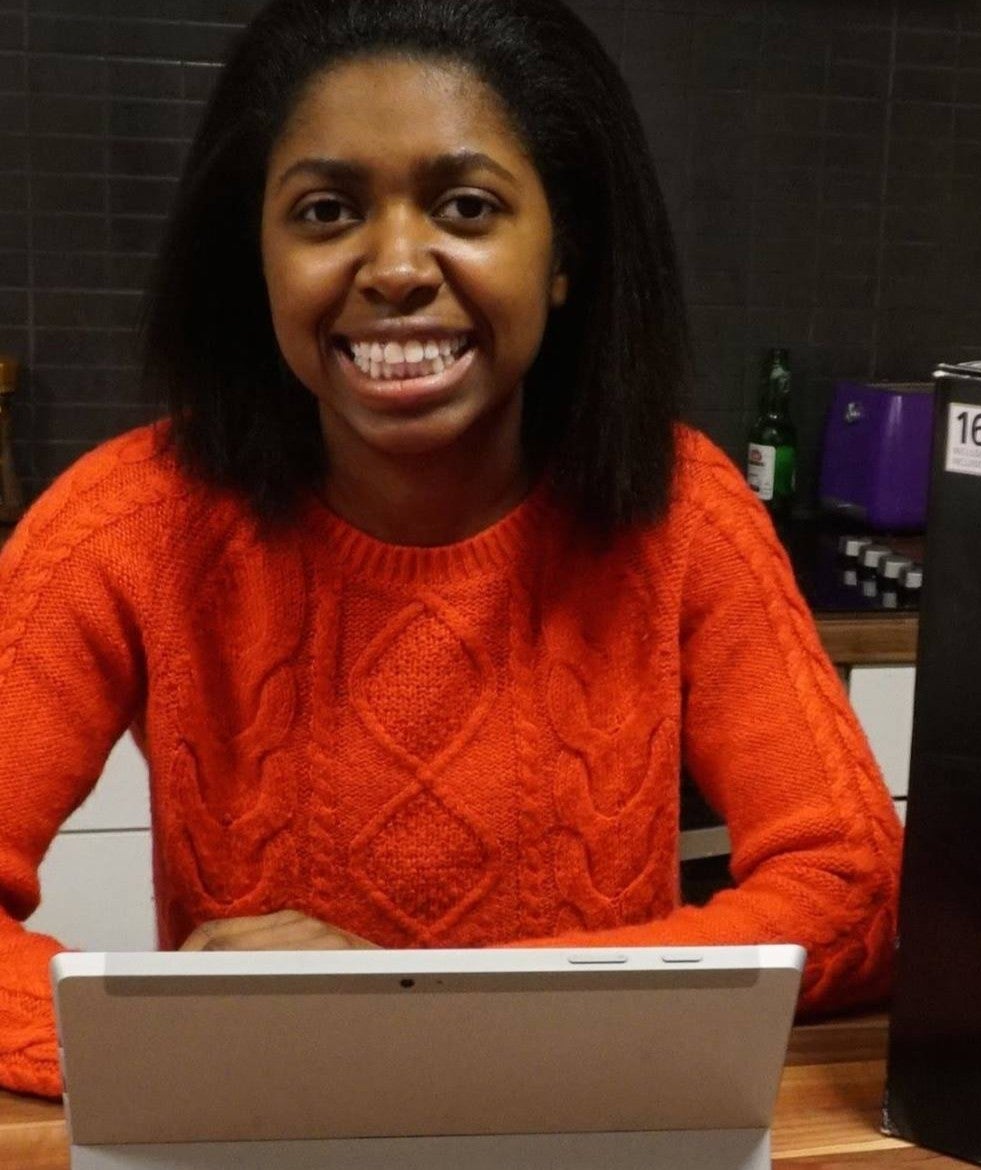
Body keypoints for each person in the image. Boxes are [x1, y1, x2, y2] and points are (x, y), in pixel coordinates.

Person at [0, 0, 902, 1100]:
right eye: (326, 212)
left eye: (466, 206)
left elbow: (855, 891)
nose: (393, 267)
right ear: (259, 259)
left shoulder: (684, 511)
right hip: (271, 1139)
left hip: (592, 1130)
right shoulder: (125, 524)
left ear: (563, 253)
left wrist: (415, 1016)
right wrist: (191, 1042)